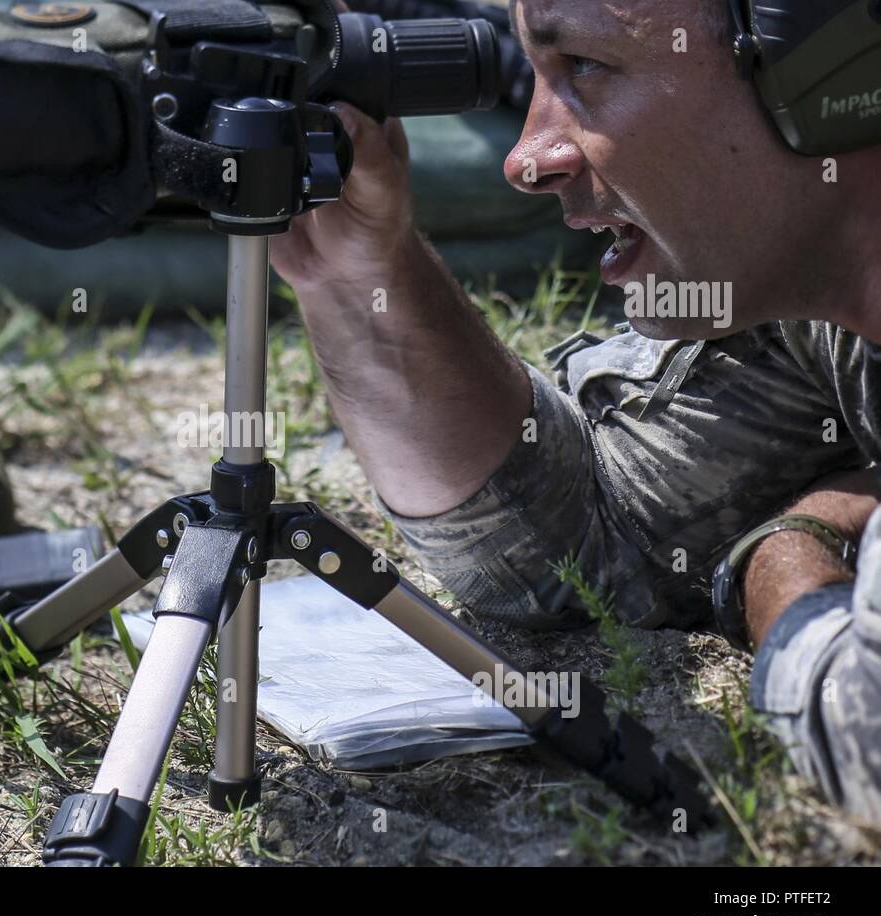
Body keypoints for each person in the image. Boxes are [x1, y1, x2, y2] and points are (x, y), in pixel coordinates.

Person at [271, 0, 881, 823]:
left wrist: (788, 551)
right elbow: (572, 549)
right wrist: (357, 273)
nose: (526, 160)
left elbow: (862, 734)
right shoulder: (819, 294)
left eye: (586, 68)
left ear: (824, 67)